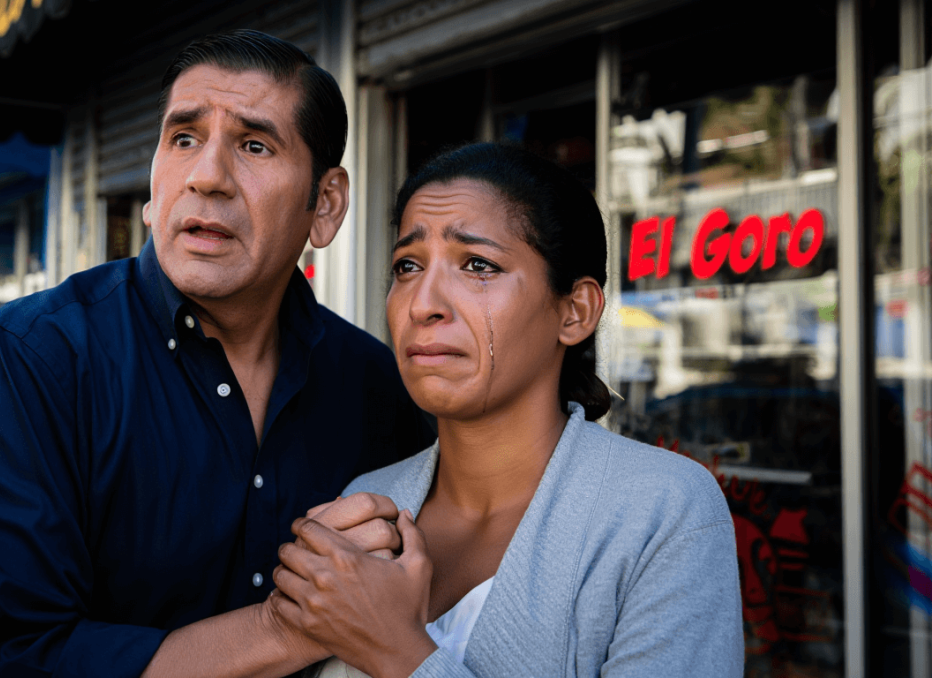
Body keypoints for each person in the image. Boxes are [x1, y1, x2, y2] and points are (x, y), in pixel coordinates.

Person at [0, 30, 435, 678]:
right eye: (184, 138)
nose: (206, 177)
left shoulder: (373, 385)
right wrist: (288, 626)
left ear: (326, 203)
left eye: (254, 145)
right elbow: (4, 661)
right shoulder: (34, 361)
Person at [269, 143, 744, 677]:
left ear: (575, 311)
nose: (423, 304)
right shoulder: (366, 508)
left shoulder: (660, 512)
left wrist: (395, 650)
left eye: (478, 265)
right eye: (408, 266)